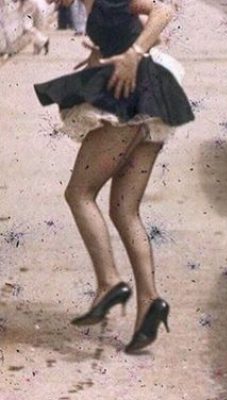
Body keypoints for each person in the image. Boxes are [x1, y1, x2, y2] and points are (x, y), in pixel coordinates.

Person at [33, 0, 194, 353]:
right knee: (124, 210)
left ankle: (109, 283)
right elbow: (141, 33)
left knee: (79, 193)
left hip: (133, 98)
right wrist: (102, 55)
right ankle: (150, 303)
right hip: (150, 100)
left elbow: (163, 11)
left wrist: (133, 54)